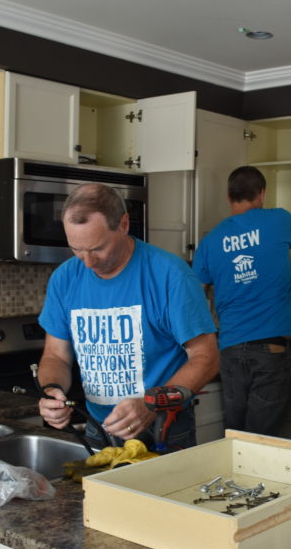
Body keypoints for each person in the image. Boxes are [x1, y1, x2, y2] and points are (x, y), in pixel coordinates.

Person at [37, 183, 219, 450]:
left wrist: (151, 404)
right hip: (97, 430)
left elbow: (207, 358)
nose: (87, 262)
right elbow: (56, 355)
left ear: (123, 224)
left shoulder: (169, 275)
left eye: (97, 248)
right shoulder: (65, 278)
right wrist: (52, 390)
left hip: (164, 430)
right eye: (76, 249)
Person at [192, 166, 291, 434]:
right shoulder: (279, 220)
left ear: (228, 196)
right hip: (272, 349)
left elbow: (196, 297)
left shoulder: (210, 241)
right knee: (262, 438)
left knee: (236, 435)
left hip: (231, 349)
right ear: (261, 194)